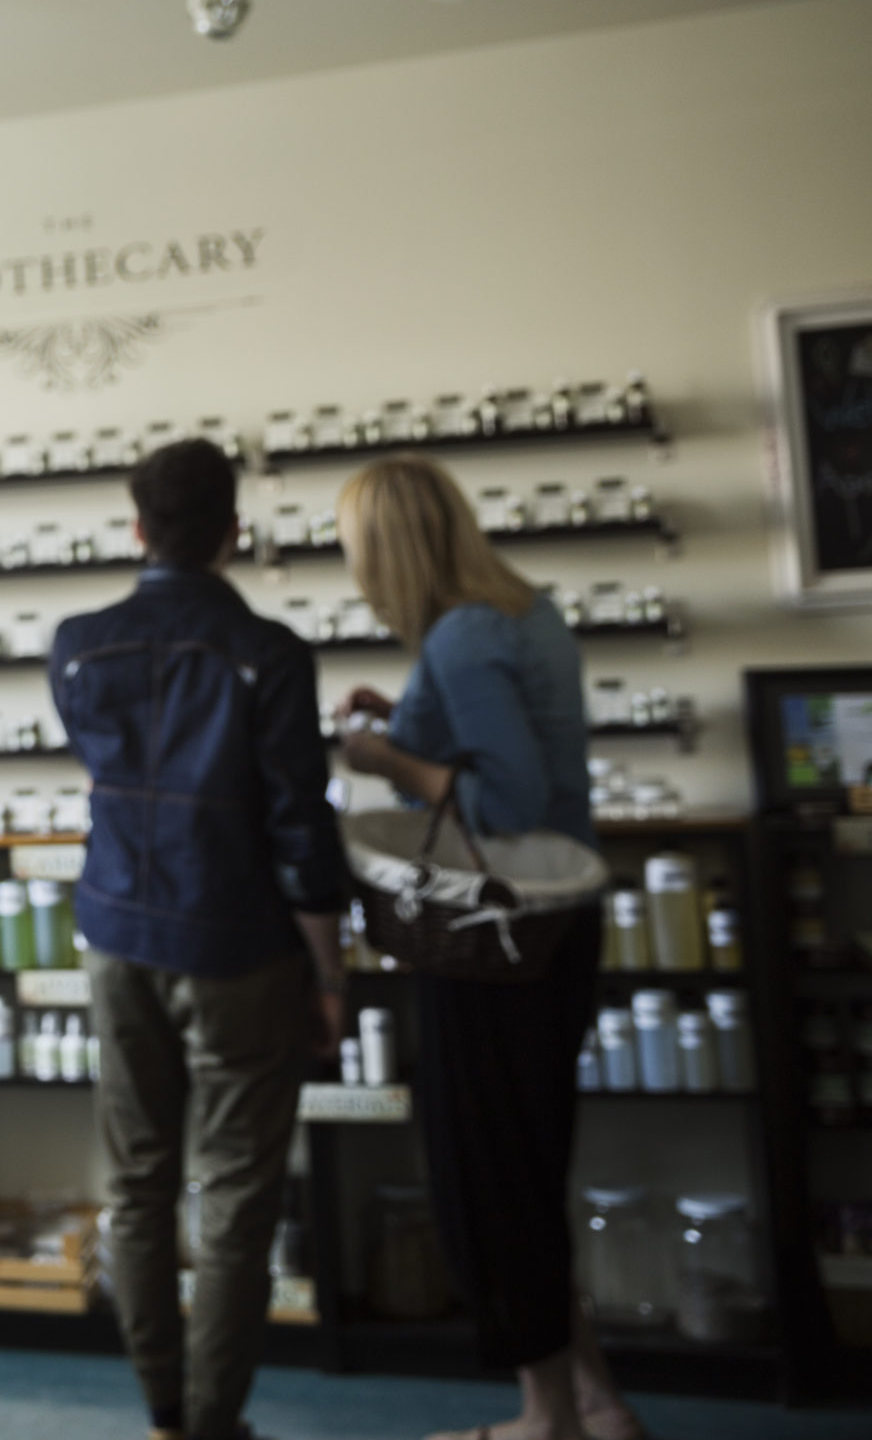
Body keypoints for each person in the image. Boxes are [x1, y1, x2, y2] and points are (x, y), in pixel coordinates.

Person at [332, 455, 642, 1440]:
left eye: (354, 550)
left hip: (493, 939)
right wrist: (409, 718)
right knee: (526, 1163)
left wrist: (383, 758)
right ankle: (595, 1403)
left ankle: (542, 1418)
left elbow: (500, 804)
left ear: (389, 549)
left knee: (492, 1173)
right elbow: (510, 753)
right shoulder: (522, 611)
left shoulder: (462, 638)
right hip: (552, 925)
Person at [49, 439, 349, 1440]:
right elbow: (300, 831)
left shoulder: (77, 645)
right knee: (232, 1192)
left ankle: (162, 1409)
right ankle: (213, 1423)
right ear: (234, 531)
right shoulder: (269, 655)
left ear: (137, 530)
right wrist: (330, 974)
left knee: (135, 1182)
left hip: (117, 934)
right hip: (237, 947)